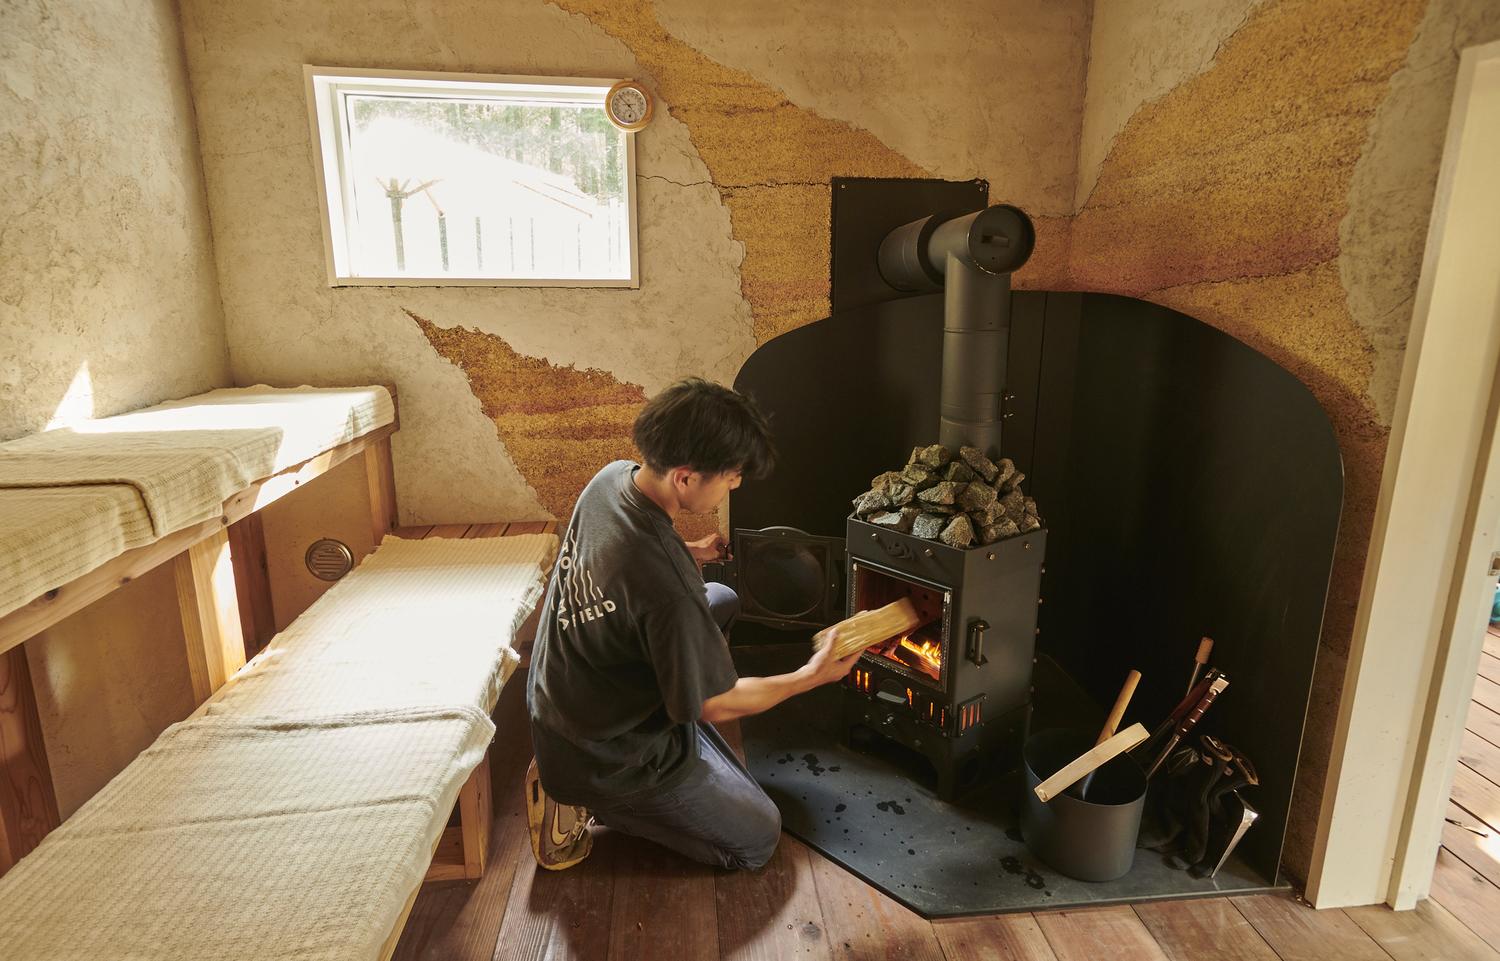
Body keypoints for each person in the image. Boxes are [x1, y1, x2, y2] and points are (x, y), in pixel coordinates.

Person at [524, 377, 860, 871]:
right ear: (684, 478)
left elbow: (624, 560)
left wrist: (692, 551)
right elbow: (713, 704)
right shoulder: (668, 588)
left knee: (720, 598)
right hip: (606, 754)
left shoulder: (612, 479)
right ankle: (590, 802)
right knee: (758, 838)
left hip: (564, 694)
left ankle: (649, 751)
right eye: (730, 476)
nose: (736, 485)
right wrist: (811, 675)